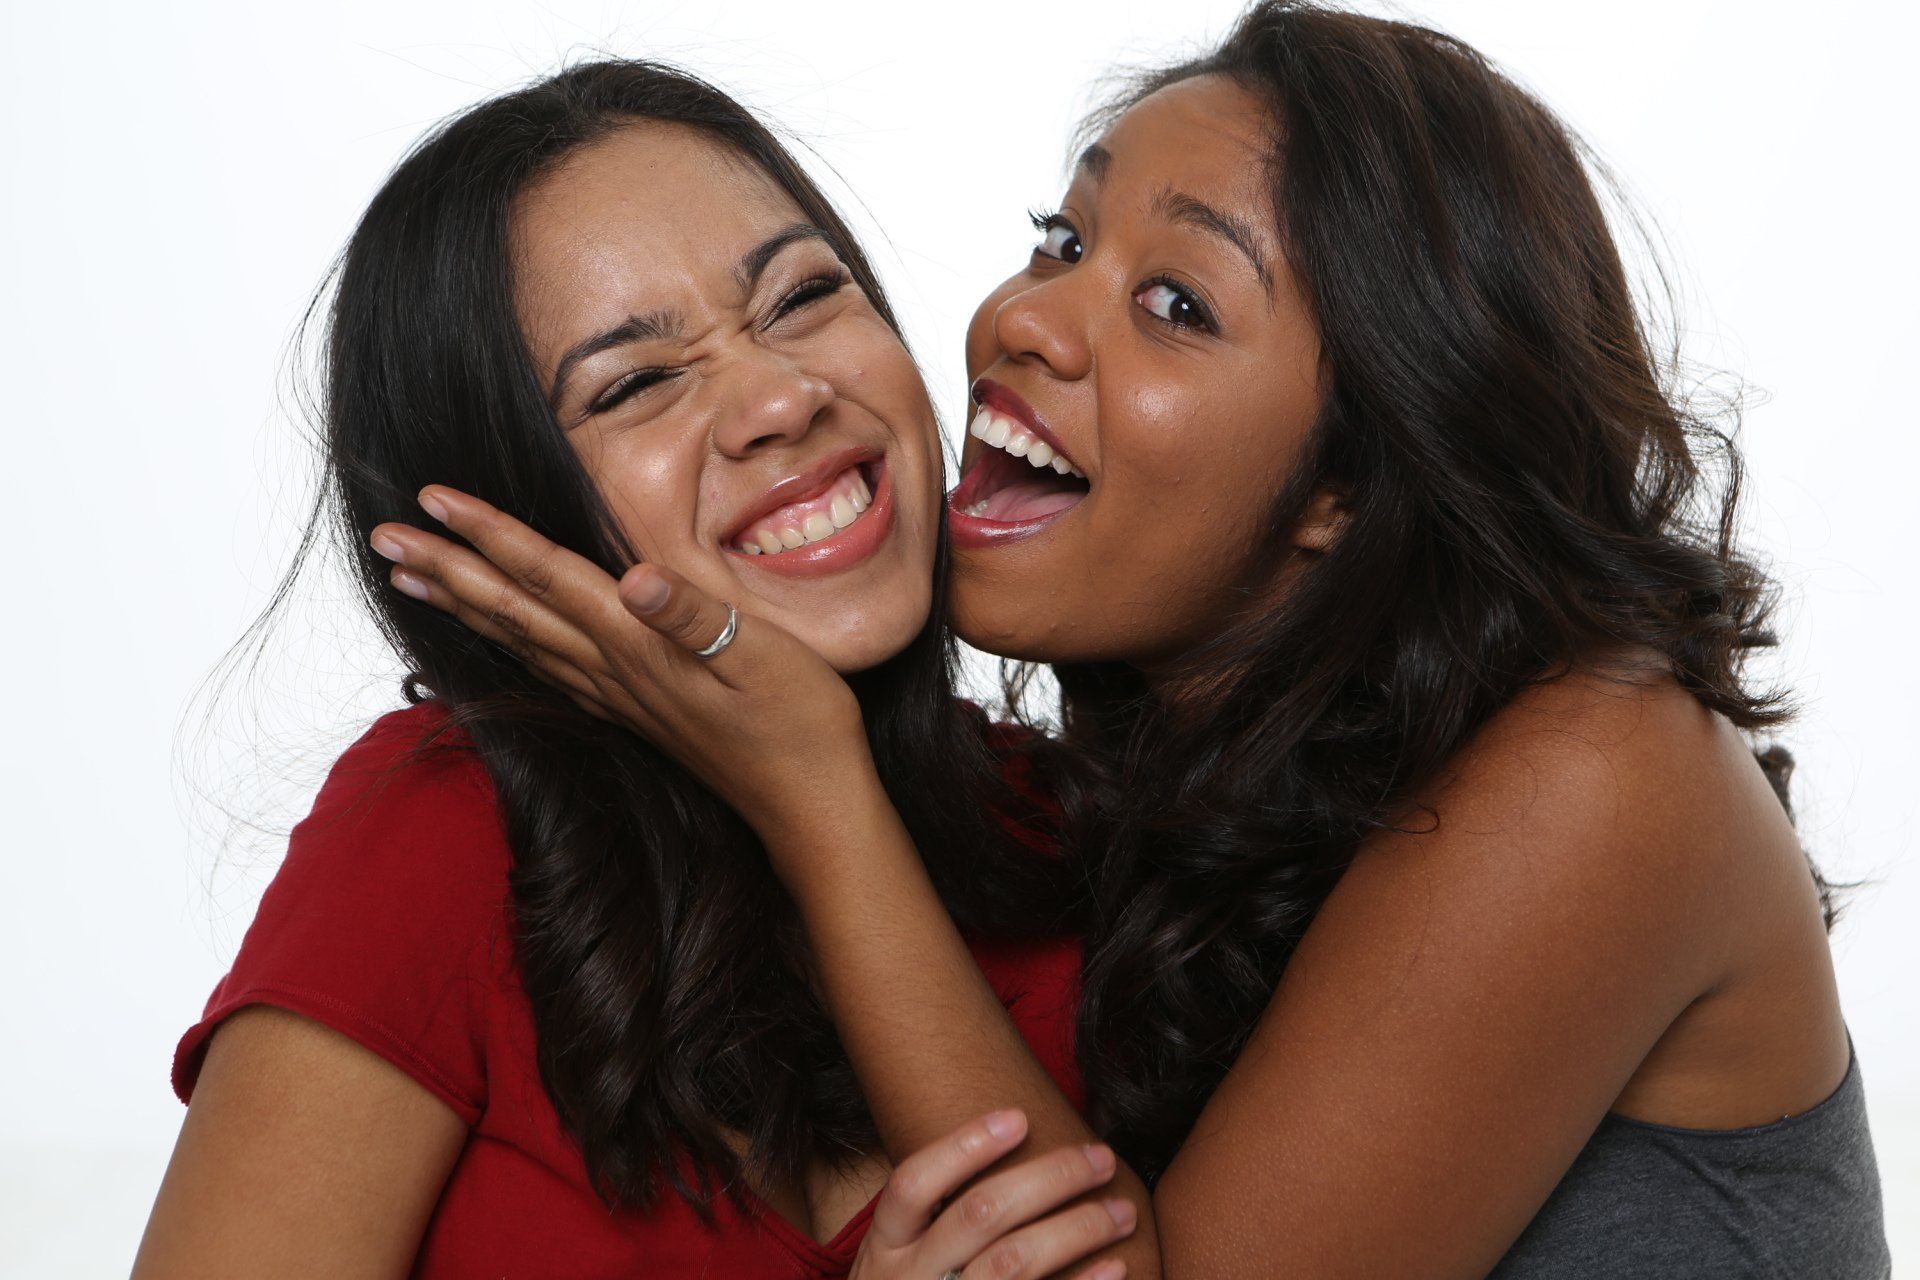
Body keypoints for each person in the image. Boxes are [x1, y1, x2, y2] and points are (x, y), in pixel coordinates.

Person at [391, 3, 1891, 1275]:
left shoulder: (1599, 766)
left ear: (1353, 483)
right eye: (1063, 237)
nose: (1026, 322)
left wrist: (817, 790)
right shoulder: (1131, 819)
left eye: (1176, 302)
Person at [134, 61, 1147, 1280]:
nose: (781, 396)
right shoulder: (442, 831)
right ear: (509, 515)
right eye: (636, 383)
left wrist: (820, 792)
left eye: (802, 296)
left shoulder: (1080, 843)